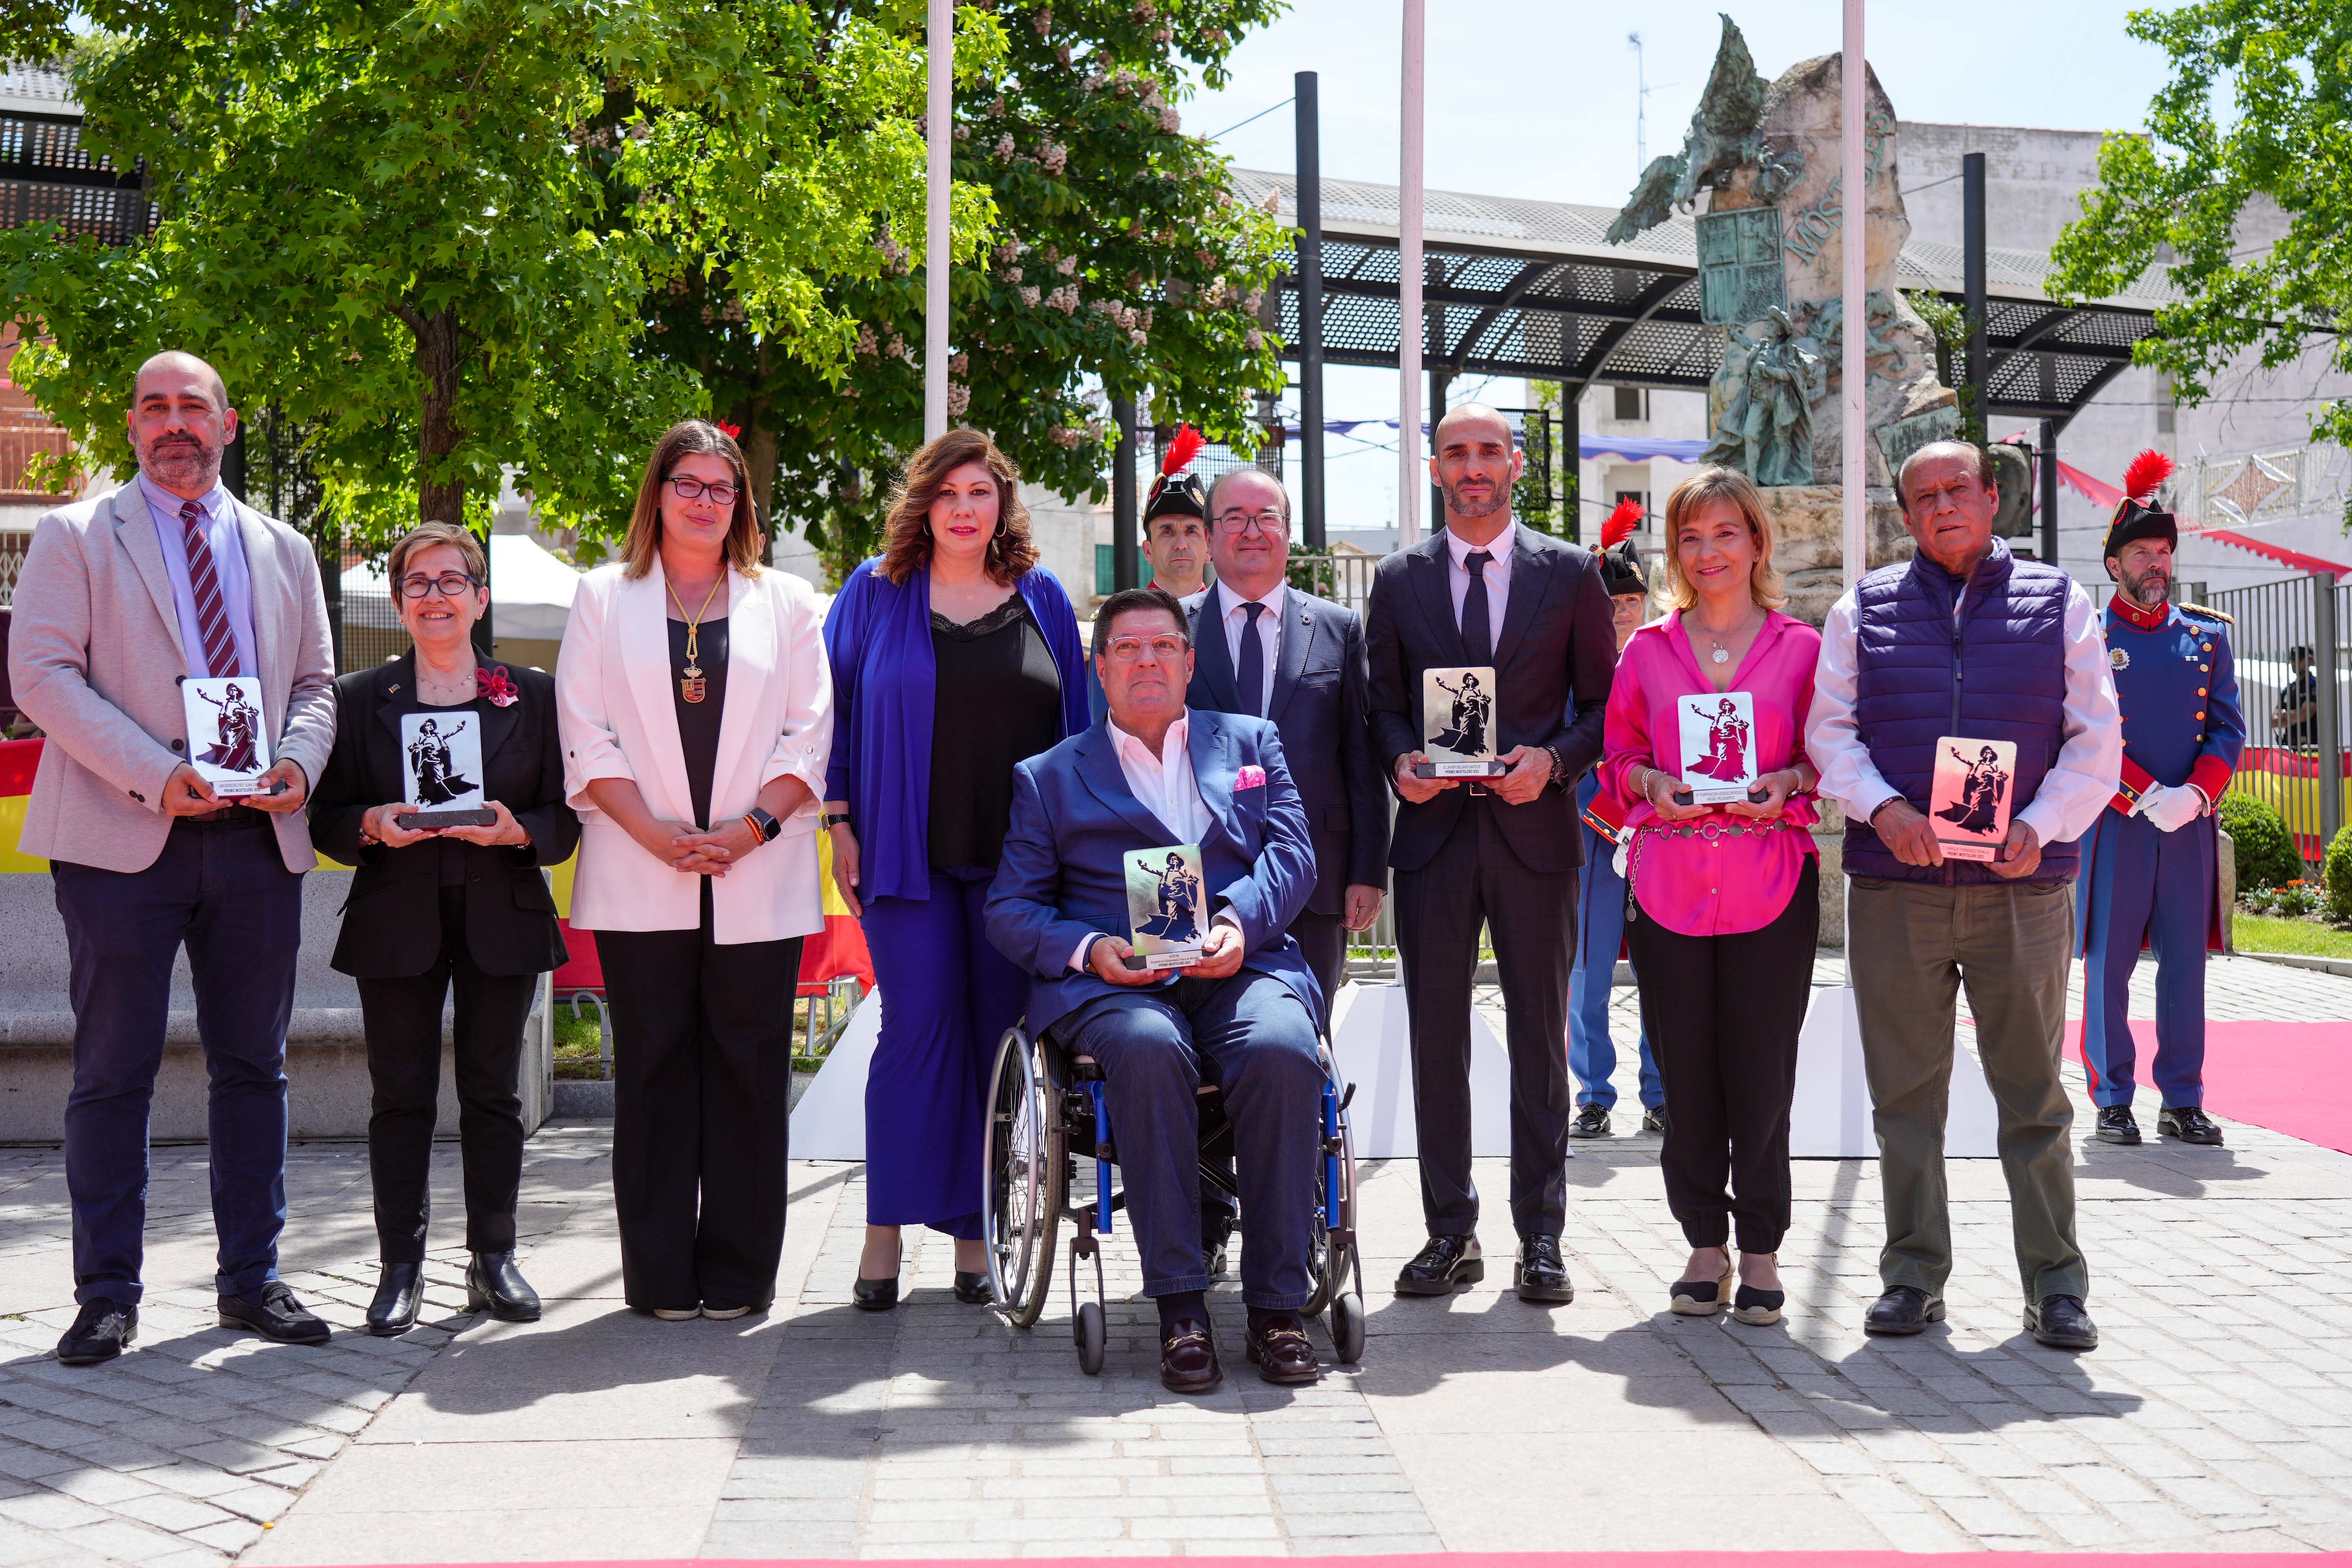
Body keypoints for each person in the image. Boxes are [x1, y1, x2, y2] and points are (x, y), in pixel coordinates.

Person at [10, 351, 334, 1364]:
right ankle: (106, 1296)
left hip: (255, 839)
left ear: (228, 424)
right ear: (132, 426)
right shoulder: (74, 536)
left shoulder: (285, 547)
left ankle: (253, 1281)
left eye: (193, 406)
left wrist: (298, 762)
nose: (174, 423)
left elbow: (317, 685)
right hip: (122, 840)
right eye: (154, 408)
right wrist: (158, 773)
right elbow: (42, 675)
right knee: (114, 1070)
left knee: (255, 1068)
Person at [1806, 439, 2122, 1352]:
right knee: (1904, 1097)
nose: (1942, 505)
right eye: (1923, 497)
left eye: (1958, 489)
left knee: (2034, 1096)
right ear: (1905, 516)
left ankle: (2055, 1285)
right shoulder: (1861, 608)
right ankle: (1911, 1274)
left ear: (1992, 498)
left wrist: (2042, 825)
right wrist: (1884, 808)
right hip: (1895, 885)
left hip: (2021, 888)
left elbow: (2095, 737)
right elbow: (1830, 734)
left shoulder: (2058, 602)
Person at [984, 586, 1327, 1392]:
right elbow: (1010, 908)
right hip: (1119, 988)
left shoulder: (1251, 742)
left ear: (1190, 661)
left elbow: (1293, 856)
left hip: (1241, 965)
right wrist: (1090, 948)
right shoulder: (1049, 777)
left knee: (1284, 1049)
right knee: (1148, 1048)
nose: (1147, 661)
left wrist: (1238, 923)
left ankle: (1278, 1307)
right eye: (1128, 648)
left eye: (1164, 646)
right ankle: (1181, 1308)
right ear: (1100, 668)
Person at [556, 420, 831, 1320]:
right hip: (641, 865)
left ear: (741, 501)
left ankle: (741, 1276)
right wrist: (652, 832)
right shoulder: (603, 596)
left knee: (750, 1070)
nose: (705, 501)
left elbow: (809, 733)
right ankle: (661, 1277)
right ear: (658, 492)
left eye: (722, 487)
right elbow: (585, 731)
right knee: (652, 1068)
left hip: (760, 866)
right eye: (689, 483)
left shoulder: (787, 601)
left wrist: (750, 829)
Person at [821, 429, 1091, 1310]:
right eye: (948, 493)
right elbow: (832, 714)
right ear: (924, 503)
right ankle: (884, 1232)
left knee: (995, 1040)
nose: (965, 509)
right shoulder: (874, 591)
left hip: (1021, 866)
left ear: (1002, 504)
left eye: (981, 492)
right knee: (917, 1030)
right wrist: (839, 820)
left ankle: (977, 1236)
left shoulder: (1044, 597)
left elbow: (1079, 728)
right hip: (906, 856)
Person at [1365, 403, 1617, 1304]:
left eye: (1487, 452)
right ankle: (1450, 1231)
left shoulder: (1572, 573)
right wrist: (1402, 760)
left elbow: (1606, 707)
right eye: (1455, 453)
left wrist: (1553, 762)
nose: (1472, 467)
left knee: (1539, 1041)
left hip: (1534, 835)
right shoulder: (1397, 580)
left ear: (1514, 463)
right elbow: (1381, 703)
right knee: (1436, 1040)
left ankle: (1540, 1236)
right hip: (1434, 839)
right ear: (1435, 467)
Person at [308, 522, 580, 1335]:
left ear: (479, 597)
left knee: (494, 1094)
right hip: (397, 920)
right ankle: (401, 1267)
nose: (435, 596)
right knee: (400, 1097)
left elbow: (566, 818)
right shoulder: (359, 698)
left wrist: (518, 831)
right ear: (399, 603)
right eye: (418, 583)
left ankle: (494, 1258)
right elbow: (326, 817)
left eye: (452, 581)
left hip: (503, 917)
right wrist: (370, 824)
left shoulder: (532, 695)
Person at [1603, 467, 1822, 1327]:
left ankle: (1761, 1245)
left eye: (1725, 533)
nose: (1708, 552)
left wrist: (1788, 783)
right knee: (1685, 1073)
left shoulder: (1800, 649)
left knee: (1762, 1072)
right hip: (1669, 886)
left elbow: (1823, 758)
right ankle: (1703, 1241)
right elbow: (1620, 757)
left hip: (1772, 880)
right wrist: (1649, 782)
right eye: (1690, 537)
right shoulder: (1647, 651)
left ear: (1757, 542)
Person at [1182, 466, 1389, 1273]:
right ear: (1209, 536)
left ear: (1289, 531)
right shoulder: (1174, 627)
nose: (1251, 531)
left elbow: (1358, 754)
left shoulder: (1336, 627)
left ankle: (1298, 1220)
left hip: (1317, 879)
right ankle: (1207, 1220)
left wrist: (1367, 865)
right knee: (1200, 1046)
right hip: (1201, 881)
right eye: (1233, 517)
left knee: (1298, 1049)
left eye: (1265, 516)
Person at [2077, 452, 2246, 1147]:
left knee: (2185, 967)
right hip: (2117, 824)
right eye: (2142, 553)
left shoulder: (2206, 637)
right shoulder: (2089, 637)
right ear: (2114, 564)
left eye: (2164, 552)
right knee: (2108, 966)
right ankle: (2113, 1097)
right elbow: (2079, 729)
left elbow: (2228, 729)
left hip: (2187, 826)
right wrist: (2143, 793)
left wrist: (2196, 796)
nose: (2157, 564)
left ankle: (2182, 1098)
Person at [1569, 501, 1664, 1139]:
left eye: (1632, 600)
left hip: (1658, 835)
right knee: (1588, 972)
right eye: (1611, 601)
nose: (1622, 611)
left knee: (1661, 972)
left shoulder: (1667, 663)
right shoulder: (1574, 669)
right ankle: (1594, 1094)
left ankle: (1662, 1092)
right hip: (1593, 835)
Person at [1142, 425, 1212, 599]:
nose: (1181, 544)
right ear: (1148, 551)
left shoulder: (1234, 615)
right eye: (1167, 532)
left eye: (1191, 531)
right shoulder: (1119, 615)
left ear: (1210, 549)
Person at [2275, 645, 2317, 746]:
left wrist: (2284, 716)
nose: (2294, 663)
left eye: (2299, 659)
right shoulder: (2289, 689)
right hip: (2290, 748)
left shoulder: (2315, 685)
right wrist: (2295, 717)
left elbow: (2305, 715)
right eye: (2293, 659)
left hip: (2311, 748)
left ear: (2310, 661)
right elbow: (2274, 721)